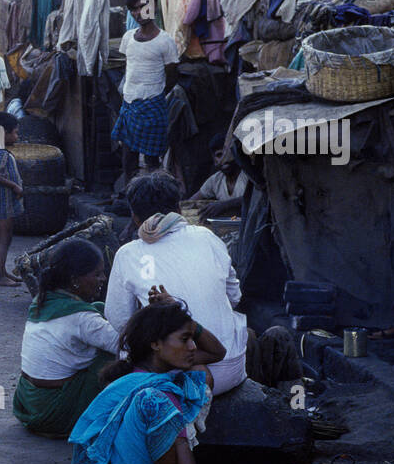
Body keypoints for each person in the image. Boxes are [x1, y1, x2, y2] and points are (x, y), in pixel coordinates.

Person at [69, 298, 225, 464]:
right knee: (156, 400)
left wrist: (182, 317)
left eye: (192, 338)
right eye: (185, 339)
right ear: (155, 344)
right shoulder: (156, 392)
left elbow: (217, 352)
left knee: (198, 375)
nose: (193, 346)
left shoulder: (136, 374)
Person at [105, 172, 249, 395]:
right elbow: (235, 297)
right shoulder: (208, 237)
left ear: (134, 217)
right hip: (232, 368)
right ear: (179, 209)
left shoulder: (128, 253)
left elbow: (119, 319)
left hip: (179, 374)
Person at [14, 238, 120, 437]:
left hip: (28, 403)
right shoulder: (82, 319)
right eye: (97, 274)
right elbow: (127, 345)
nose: (103, 279)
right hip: (53, 412)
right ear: (75, 279)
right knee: (115, 357)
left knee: (99, 309)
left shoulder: (43, 299)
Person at [113, 0, 179, 188]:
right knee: (128, 157)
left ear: (153, 8)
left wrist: (154, 94)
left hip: (153, 104)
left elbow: (172, 75)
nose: (137, 13)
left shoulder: (165, 41)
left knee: (151, 160)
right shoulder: (128, 38)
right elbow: (129, 68)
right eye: (133, 9)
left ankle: (154, 197)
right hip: (129, 103)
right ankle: (130, 198)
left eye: (142, 7)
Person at [0, 111, 25, 285]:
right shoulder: (0, 153)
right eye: (15, 132)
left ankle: (2, 272)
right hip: (3, 202)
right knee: (4, 237)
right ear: (4, 133)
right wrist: (14, 186)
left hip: (4, 202)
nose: (17, 136)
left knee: (6, 237)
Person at [187, 137, 248, 219]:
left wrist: (224, 205)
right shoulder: (215, 180)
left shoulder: (247, 176)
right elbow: (191, 202)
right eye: (219, 155)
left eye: (228, 154)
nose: (225, 159)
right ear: (215, 161)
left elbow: (253, 199)